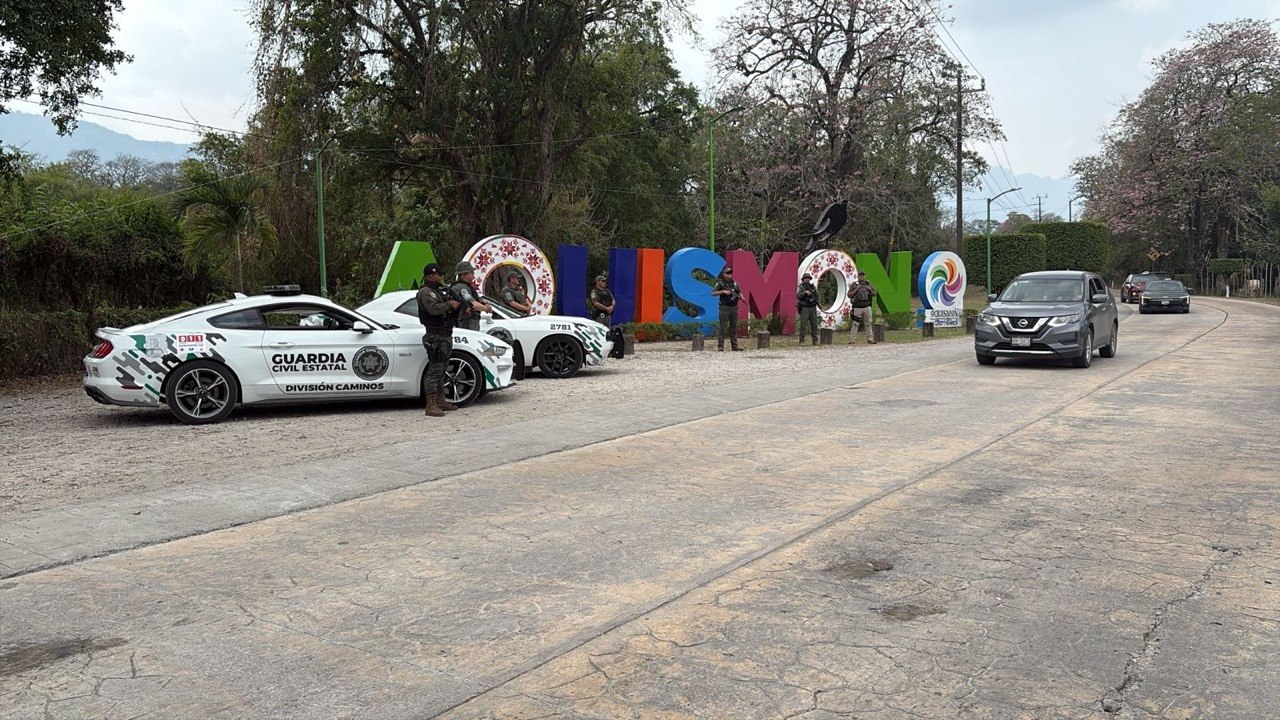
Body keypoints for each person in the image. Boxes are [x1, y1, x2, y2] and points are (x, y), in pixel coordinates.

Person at [416, 263, 461, 417]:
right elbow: (433, 310)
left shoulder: (437, 292)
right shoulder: (426, 292)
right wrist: (449, 304)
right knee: (434, 371)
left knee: (442, 370)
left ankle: (440, 400)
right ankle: (431, 405)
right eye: (440, 274)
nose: (442, 277)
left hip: (444, 335)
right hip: (435, 336)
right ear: (432, 275)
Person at [451, 261, 492, 331]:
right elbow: (474, 305)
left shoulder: (467, 287)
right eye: (471, 272)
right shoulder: (461, 288)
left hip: (471, 322)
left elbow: (479, 300)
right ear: (464, 275)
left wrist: (485, 304)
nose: (473, 275)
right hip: (466, 323)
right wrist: (486, 308)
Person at [712, 267, 743, 351]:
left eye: (731, 272)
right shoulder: (720, 283)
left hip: (734, 307)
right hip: (724, 308)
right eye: (728, 273)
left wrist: (742, 297)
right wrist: (723, 291)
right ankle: (721, 347)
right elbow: (713, 293)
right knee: (723, 328)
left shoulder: (735, 283)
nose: (730, 274)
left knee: (733, 328)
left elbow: (739, 291)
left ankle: (735, 346)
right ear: (724, 274)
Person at [848, 271, 877, 344]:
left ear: (865, 276)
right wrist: (857, 289)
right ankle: (852, 340)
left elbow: (875, 293)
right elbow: (849, 295)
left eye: (863, 275)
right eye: (860, 275)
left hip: (867, 306)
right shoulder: (854, 285)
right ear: (858, 276)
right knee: (855, 324)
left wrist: (869, 289)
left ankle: (870, 339)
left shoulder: (868, 284)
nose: (862, 276)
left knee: (868, 323)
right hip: (857, 307)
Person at [796, 273, 819, 345]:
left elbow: (817, 296)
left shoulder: (812, 286)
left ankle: (815, 340)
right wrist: (805, 293)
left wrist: (814, 295)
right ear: (803, 279)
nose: (807, 279)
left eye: (808, 278)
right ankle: (801, 340)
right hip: (805, 307)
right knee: (803, 324)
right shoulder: (801, 287)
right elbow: (798, 296)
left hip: (812, 307)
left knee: (814, 324)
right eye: (806, 278)